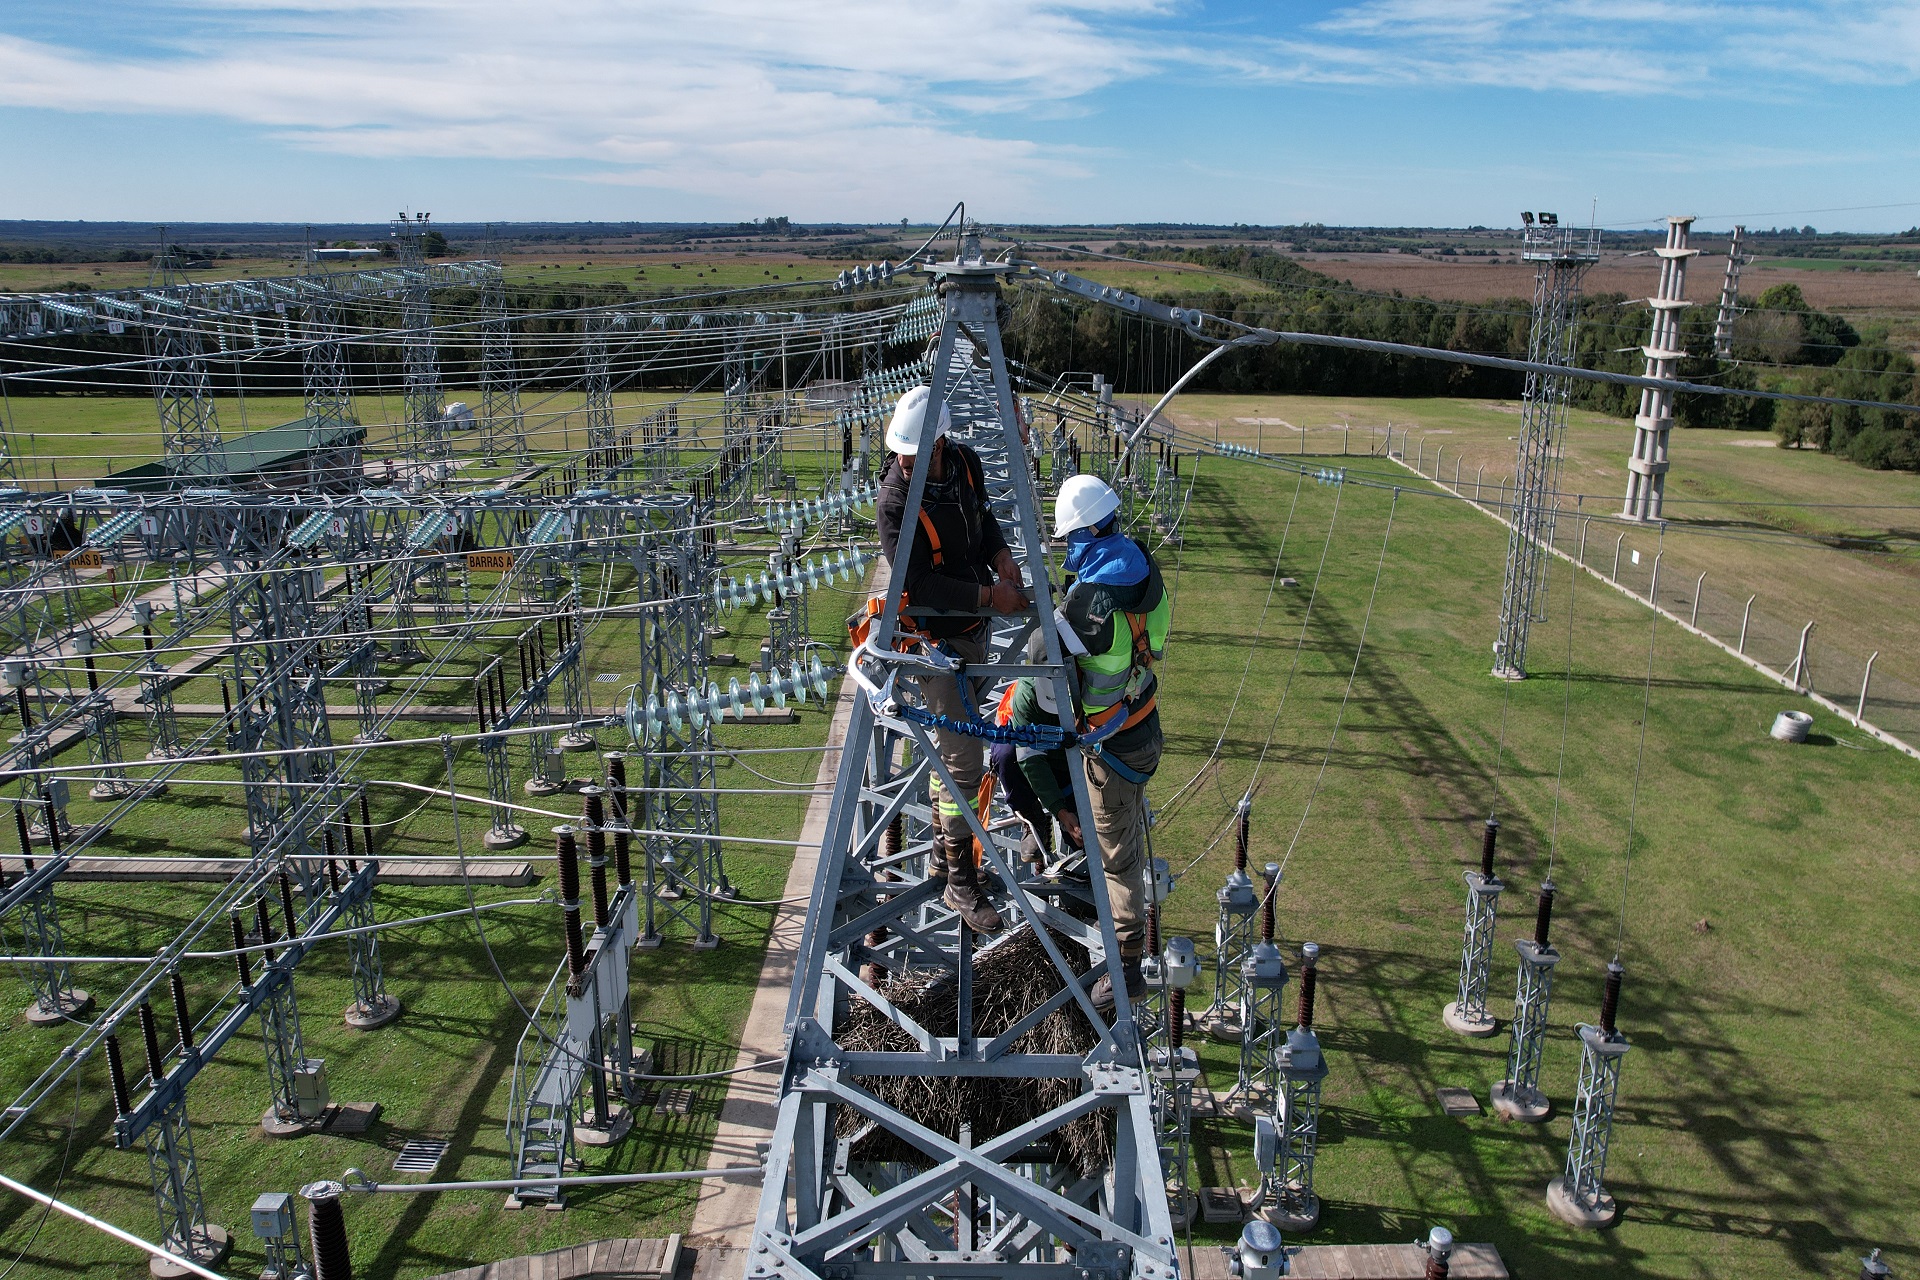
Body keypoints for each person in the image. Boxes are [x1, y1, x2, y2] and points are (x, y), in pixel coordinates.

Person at [874, 385, 1028, 934]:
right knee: (961, 761)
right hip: (936, 646)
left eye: (916, 453)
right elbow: (917, 583)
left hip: (973, 628)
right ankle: (961, 881)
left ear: (940, 443)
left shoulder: (964, 463)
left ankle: (944, 852)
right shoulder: (895, 502)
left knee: (953, 755)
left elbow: (982, 522)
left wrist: (1001, 557)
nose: (906, 462)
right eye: (902, 454)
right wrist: (992, 597)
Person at [1051, 474, 1171, 1010]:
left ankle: (1124, 969)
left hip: (1113, 745)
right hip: (1144, 724)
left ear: (1085, 532)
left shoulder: (1088, 598)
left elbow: (1051, 660)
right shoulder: (1143, 569)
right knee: (1125, 834)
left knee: (1117, 858)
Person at [991, 633, 1085, 867]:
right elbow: (1030, 758)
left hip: (1073, 760)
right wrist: (1061, 813)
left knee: (1082, 837)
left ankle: (1082, 883)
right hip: (1035, 754)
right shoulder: (1026, 694)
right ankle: (1032, 818)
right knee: (1006, 753)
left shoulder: (1089, 681)